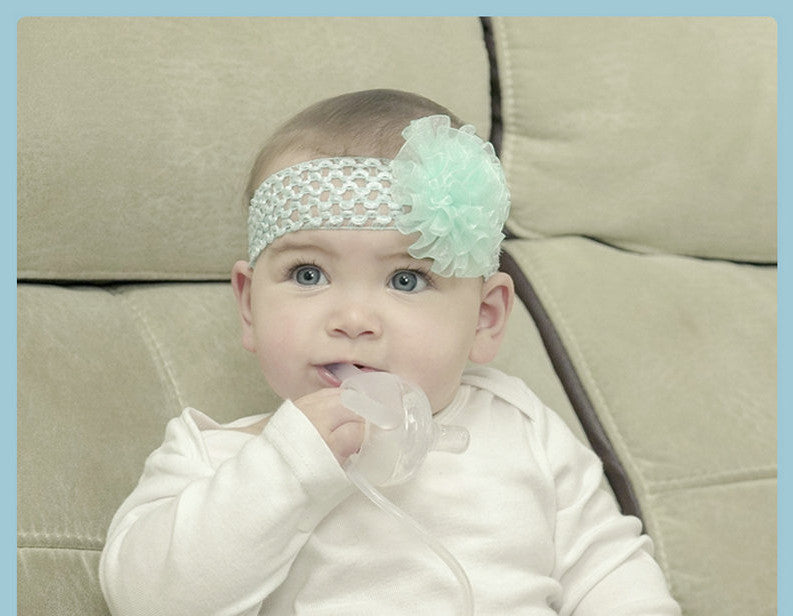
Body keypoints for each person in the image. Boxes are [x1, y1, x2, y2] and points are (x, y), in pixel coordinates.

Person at [99, 89, 680, 615]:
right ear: (250, 306)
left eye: (406, 280)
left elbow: (613, 574)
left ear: (485, 317)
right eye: (308, 273)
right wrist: (288, 468)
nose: (352, 320)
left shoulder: (525, 429)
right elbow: (147, 598)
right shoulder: (217, 459)